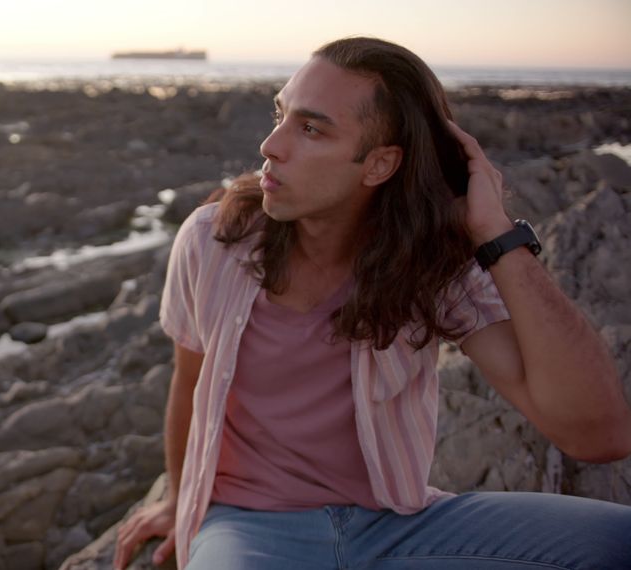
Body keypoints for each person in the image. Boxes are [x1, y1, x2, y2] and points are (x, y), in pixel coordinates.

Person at [113, 37, 631, 570]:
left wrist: (496, 235)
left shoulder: (432, 266)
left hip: (397, 527)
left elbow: (599, 434)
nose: (271, 144)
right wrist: (179, 500)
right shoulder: (212, 241)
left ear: (379, 165)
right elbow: (189, 381)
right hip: (250, 529)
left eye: (310, 128)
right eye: (281, 114)